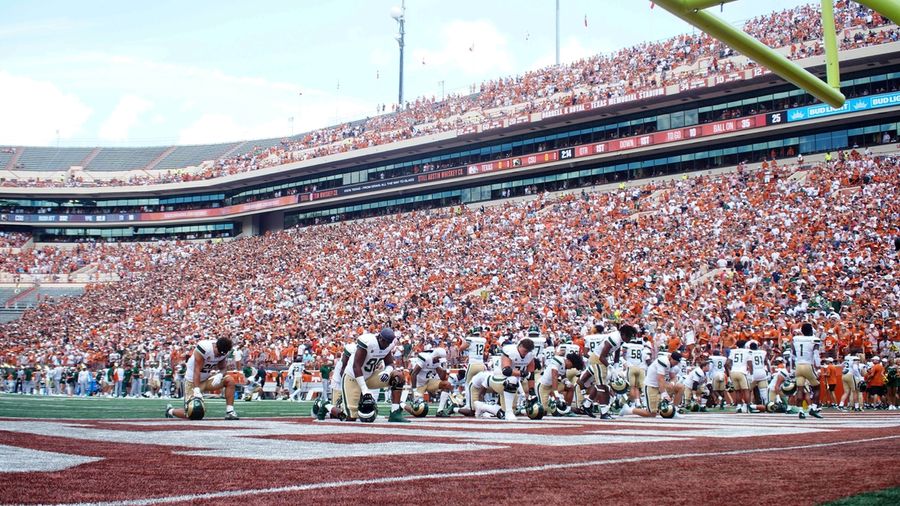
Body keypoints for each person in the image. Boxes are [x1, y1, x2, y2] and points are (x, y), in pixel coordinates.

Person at [340, 328, 408, 423]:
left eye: (389, 343)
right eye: (385, 342)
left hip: (370, 376)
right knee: (350, 418)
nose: (387, 345)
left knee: (398, 377)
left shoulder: (388, 345)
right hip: (353, 378)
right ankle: (327, 406)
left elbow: (390, 364)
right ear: (380, 337)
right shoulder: (369, 342)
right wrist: (364, 389)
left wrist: (387, 372)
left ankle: (395, 412)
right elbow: (356, 366)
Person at [165, 337, 239, 421]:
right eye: (219, 353)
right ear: (216, 347)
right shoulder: (204, 348)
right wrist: (196, 390)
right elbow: (197, 370)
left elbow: (223, 368)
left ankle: (230, 411)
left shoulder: (223, 351)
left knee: (230, 380)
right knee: (193, 413)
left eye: (222, 354)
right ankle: (170, 411)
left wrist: (220, 374)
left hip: (207, 379)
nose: (219, 356)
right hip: (192, 382)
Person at [620, 351, 683, 418]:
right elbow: (660, 379)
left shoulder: (672, 363)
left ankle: (674, 410)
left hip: (661, 385)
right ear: (671, 358)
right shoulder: (663, 361)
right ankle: (628, 410)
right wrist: (664, 394)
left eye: (677, 363)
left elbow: (674, 377)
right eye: (675, 362)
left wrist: (672, 383)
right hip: (651, 386)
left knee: (680, 387)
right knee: (651, 414)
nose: (675, 364)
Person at [408, 347, 453, 417]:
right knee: (418, 411)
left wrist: (444, 368)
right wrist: (414, 390)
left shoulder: (437, 362)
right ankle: (402, 405)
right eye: (439, 358)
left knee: (446, 384)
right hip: (419, 384)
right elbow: (413, 373)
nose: (439, 360)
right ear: (435, 356)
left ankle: (440, 411)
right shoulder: (426, 358)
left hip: (429, 382)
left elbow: (442, 378)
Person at [792, 323, 823, 419]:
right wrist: (818, 366)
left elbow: (792, 355)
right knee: (817, 387)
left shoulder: (795, 339)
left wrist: (792, 366)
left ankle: (801, 411)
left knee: (800, 389)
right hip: (808, 365)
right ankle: (813, 408)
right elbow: (816, 354)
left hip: (798, 366)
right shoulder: (813, 339)